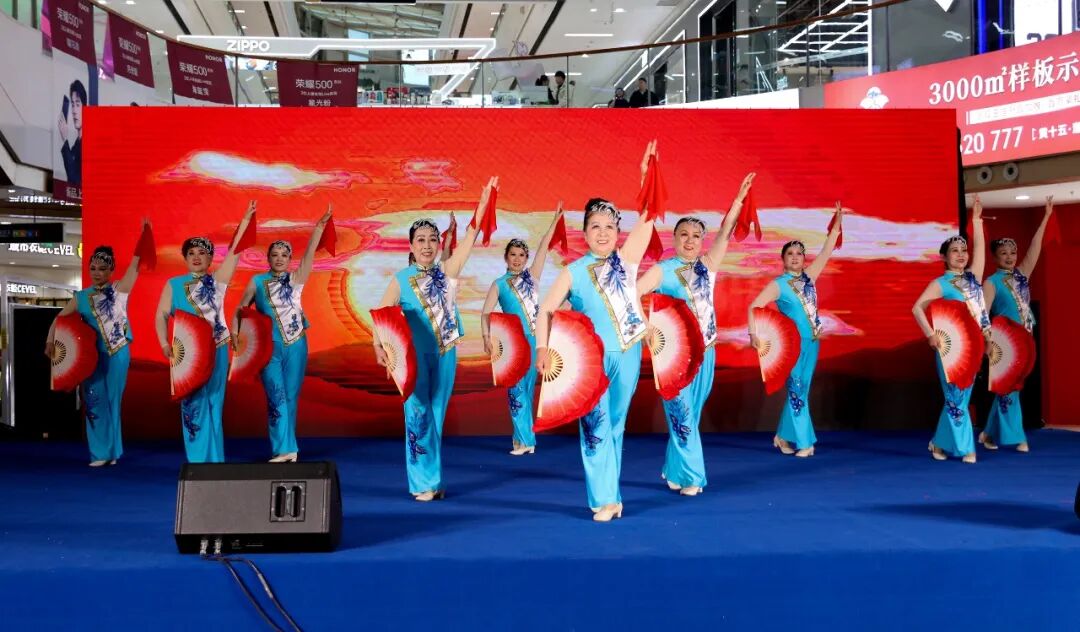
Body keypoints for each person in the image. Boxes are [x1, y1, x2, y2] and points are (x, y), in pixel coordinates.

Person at [536, 141, 659, 522]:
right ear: (585, 233)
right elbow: (545, 310)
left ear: (617, 232)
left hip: (629, 353)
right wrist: (542, 349)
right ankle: (603, 499)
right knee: (595, 426)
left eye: (609, 227)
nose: (602, 233)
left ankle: (612, 496)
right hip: (591, 362)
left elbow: (649, 219)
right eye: (595, 227)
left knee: (616, 425)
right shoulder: (573, 272)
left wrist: (645, 177)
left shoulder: (627, 261)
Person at [373, 178, 497, 501]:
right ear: (411, 246)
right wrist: (379, 347)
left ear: (438, 245)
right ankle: (422, 484)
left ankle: (433, 479)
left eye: (432, 240)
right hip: (412, 358)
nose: (427, 246)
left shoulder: (447, 271)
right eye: (421, 240)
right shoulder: (400, 280)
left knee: (437, 413)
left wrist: (483, 204)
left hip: (445, 353)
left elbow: (470, 238)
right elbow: (381, 317)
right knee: (418, 413)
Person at [637, 173, 754, 494]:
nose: (689, 241)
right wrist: (646, 326)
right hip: (674, 356)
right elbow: (632, 293)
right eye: (684, 235)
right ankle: (693, 477)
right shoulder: (662, 270)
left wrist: (738, 201)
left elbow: (726, 233)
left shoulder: (707, 266)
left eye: (696, 236)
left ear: (702, 241)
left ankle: (674, 470)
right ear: (674, 238)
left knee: (690, 416)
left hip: (707, 353)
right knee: (682, 414)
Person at [155, 202, 255, 463]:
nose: (196, 257)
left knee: (214, 402)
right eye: (191, 253)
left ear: (211, 259)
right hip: (186, 353)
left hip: (217, 347)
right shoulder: (174, 284)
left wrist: (245, 222)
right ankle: (198, 460)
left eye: (202, 253)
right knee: (192, 403)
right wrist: (164, 343)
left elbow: (235, 252)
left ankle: (215, 461)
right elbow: (161, 315)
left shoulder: (218, 281)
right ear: (185, 258)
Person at [232, 207, 333, 463]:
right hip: (268, 348)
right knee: (276, 396)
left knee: (290, 397)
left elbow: (309, 257)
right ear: (268, 258)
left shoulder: (295, 279)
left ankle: (288, 450)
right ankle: (284, 449)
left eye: (284, 255)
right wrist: (235, 332)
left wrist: (318, 229)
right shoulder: (257, 281)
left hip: (296, 345)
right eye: (275, 254)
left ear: (290, 259)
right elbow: (241, 308)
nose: (279, 259)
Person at [45, 220, 149, 466]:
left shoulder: (119, 291)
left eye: (102, 268)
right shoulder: (81, 297)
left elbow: (134, 267)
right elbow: (60, 319)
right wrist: (50, 340)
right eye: (93, 268)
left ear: (111, 270)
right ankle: (100, 452)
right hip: (91, 356)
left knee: (113, 400)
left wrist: (144, 237)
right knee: (93, 399)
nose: (96, 272)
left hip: (118, 353)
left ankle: (112, 452)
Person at [748, 203, 845, 458]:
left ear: (804, 259)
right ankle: (804, 442)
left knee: (801, 389)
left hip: (812, 343)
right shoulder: (778, 285)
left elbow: (826, 252)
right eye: (790, 253)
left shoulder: (809, 277)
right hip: (792, 346)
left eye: (799, 254)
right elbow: (754, 306)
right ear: (783, 259)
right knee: (797, 389)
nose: (795, 257)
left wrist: (836, 226)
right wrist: (754, 334)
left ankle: (782, 436)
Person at [480, 207, 564, 456]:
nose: (517, 259)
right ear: (506, 257)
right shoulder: (499, 284)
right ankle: (527, 440)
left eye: (521, 255)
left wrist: (554, 221)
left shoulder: (532, 278)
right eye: (513, 255)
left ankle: (521, 439)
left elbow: (543, 247)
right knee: (515, 390)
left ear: (526, 259)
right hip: (512, 343)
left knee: (526, 389)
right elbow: (485, 313)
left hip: (535, 340)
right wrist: (487, 338)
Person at [911, 202, 988, 463]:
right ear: (944, 257)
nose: (961, 254)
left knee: (962, 396)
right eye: (954, 251)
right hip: (950, 348)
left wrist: (976, 220)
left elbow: (981, 254)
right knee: (955, 396)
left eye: (964, 250)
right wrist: (929, 334)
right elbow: (917, 308)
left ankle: (940, 443)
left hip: (974, 343)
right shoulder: (940, 283)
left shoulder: (973, 279)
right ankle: (966, 449)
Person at [980, 195, 1054, 453]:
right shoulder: (991, 282)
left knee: (1010, 387)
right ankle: (1016, 436)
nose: (1010, 257)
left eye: (1012, 252)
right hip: (1003, 341)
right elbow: (983, 314)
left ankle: (989, 434)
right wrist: (987, 341)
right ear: (995, 257)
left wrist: (1046, 217)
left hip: (1025, 339)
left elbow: (1035, 249)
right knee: (1009, 388)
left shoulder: (1022, 276)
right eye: (1004, 253)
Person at [57, 80, 86, 186]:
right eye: (72, 105)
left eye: (77, 104)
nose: (74, 111)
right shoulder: (76, 144)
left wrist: (65, 139)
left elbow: (74, 178)